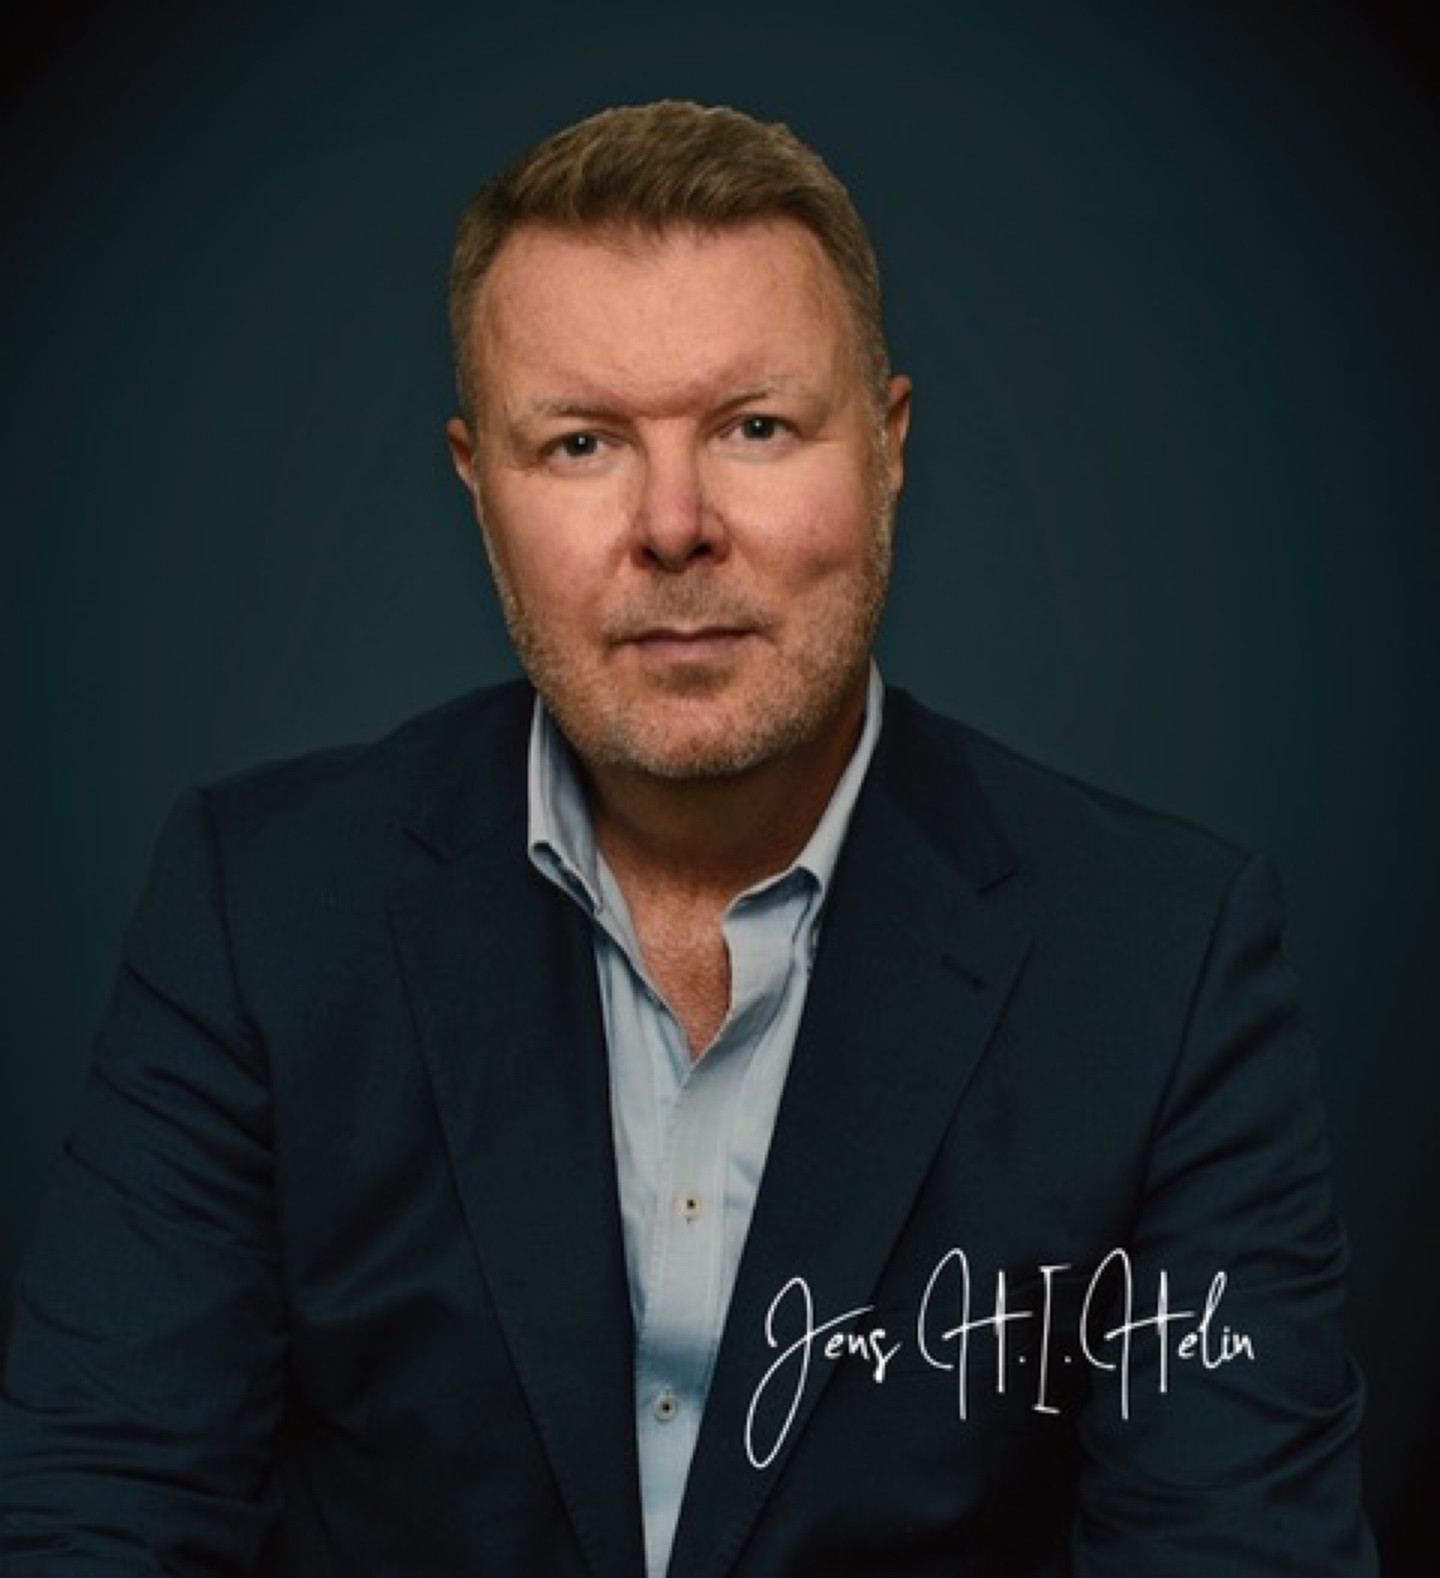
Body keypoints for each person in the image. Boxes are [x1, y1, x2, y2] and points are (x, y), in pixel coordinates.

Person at [0, 100, 1376, 1575]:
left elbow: (1240, 1551)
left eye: (755, 427)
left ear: (889, 449)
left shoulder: (1161, 965)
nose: (672, 524)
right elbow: (103, 1508)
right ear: (478, 487)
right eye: (582, 442)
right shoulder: (261, 910)